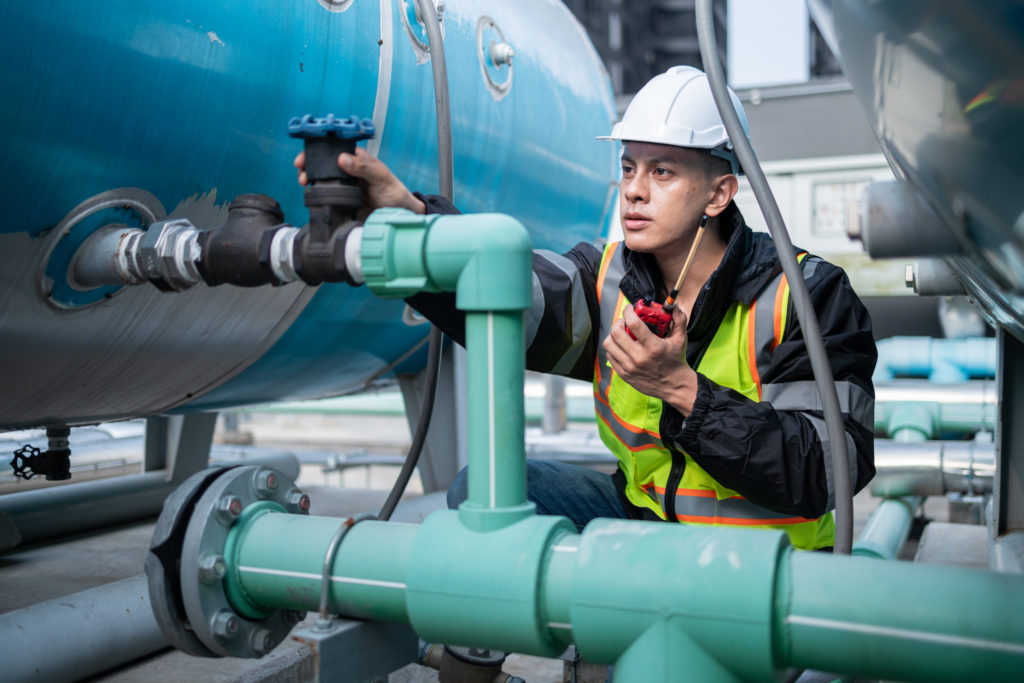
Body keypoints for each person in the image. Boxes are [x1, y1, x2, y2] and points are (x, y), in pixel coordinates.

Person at [296, 66, 876, 551]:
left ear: (719, 193)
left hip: (763, 565)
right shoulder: (607, 278)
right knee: (483, 489)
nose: (634, 190)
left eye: (663, 171)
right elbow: (506, 294)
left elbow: (827, 468)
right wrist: (411, 221)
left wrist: (683, 392)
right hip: (647, 528)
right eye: (628, 167)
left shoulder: (806, 296)